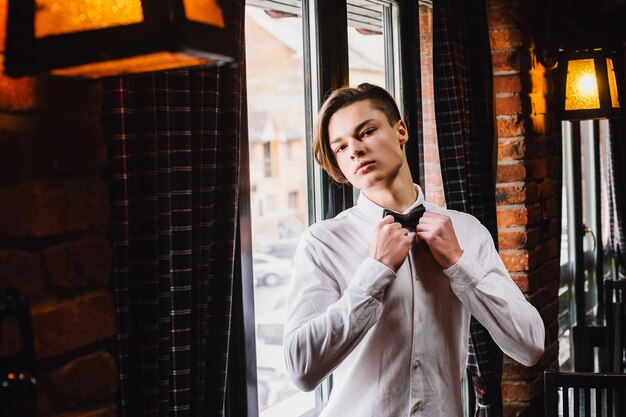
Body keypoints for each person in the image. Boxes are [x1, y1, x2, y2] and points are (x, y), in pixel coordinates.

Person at [283, 83, 545, 417]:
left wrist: (459, 264)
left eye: (367, 132)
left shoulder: (465, 230)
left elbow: (531, 345)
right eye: (341, 147)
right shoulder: (322, 243)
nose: (355, 150)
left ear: (400, 130)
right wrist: (374, 273)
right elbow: (300, 369)